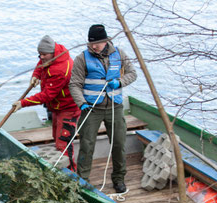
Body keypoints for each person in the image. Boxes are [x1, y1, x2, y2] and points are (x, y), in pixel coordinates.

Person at [69, 24, 137, 193]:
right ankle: (83, 180)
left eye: (97, 43)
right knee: (87, 144)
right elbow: (74, 84)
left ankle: (119, 178)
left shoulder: (119, 54)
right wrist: (81, 103)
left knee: (119, 144)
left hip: (115, 107)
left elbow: (132, 74)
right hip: (91, 108)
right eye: (91, 43)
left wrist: (120, 82)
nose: (94, 46)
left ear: (106, 41)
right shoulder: (82, 58)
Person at [13, 35, 80, 171]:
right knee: (56, 137)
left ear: (52, 53)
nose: (41, 57)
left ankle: (72, 175)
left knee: (63, 144)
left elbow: (47, 95)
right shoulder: (53, 56)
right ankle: (61, 171)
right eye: (40, 54)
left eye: (44, 54)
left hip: (68, 108)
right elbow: (41, 64)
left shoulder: (61, 69)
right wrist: (36, 75)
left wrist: (23, 103)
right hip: (57, 107)